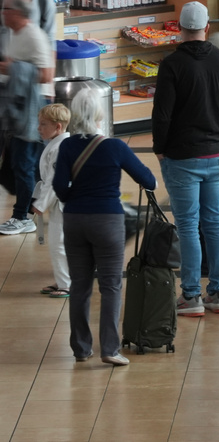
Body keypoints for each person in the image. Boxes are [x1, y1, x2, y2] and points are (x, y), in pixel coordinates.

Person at [54, 89, 156, 366]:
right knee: (111, 286)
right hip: (107, 221)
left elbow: (60, 187)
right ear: (100, 114)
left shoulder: (67, 146)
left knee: (80, 286)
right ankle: (110, 349)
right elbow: (148, 180)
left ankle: (80, 348)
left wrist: (74, 199)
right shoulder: (115, 147)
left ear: (74, 115)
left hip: (74, 220)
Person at [152, 1, 219, 317]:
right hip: (217, 155)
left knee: (188, 225)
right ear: (207, 28)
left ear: (179, 29)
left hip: (182, 158)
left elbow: (161, 115)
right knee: (214, 222)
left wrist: (160, 148)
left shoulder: (172, 65)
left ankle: (191, 295)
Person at [0, 0, 53, 236]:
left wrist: (15, 68)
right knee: (23, 164)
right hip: (19, 106)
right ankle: (28, 210)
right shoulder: (13, 33)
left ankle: (22, 217)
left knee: (24, 164)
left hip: (33, 109)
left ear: (17, 12)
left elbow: (46, 75)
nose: (2, 13)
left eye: (6, 9)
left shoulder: (34, 36)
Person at [31, 103, 71, 298]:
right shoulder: (58, 144)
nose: (39, 128)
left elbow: (55, 181)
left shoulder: (59, 148)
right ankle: (64, 280)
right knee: (61, 244)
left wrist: (40, 205)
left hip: (62, 203)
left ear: (58, 127)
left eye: (43, 124)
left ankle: (67, 283)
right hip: (61, 201)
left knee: (59, 244)